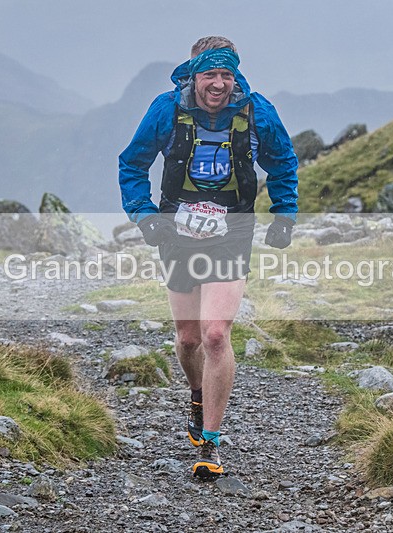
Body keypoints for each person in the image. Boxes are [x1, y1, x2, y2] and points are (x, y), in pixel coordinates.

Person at [118, 36, 299, 479]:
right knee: (188, 339)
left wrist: (284, 215)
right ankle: (197, 395)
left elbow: (283, 162)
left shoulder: (257, 111)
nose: (218, 84)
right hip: (176, 228)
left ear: (235, 76)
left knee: (215, 333)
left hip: (232, 229)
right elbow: (132, 164)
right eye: (210, 75)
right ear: (193, 75)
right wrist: (145, 216)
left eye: (226, 75)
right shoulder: (167, 110)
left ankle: (211, 444)